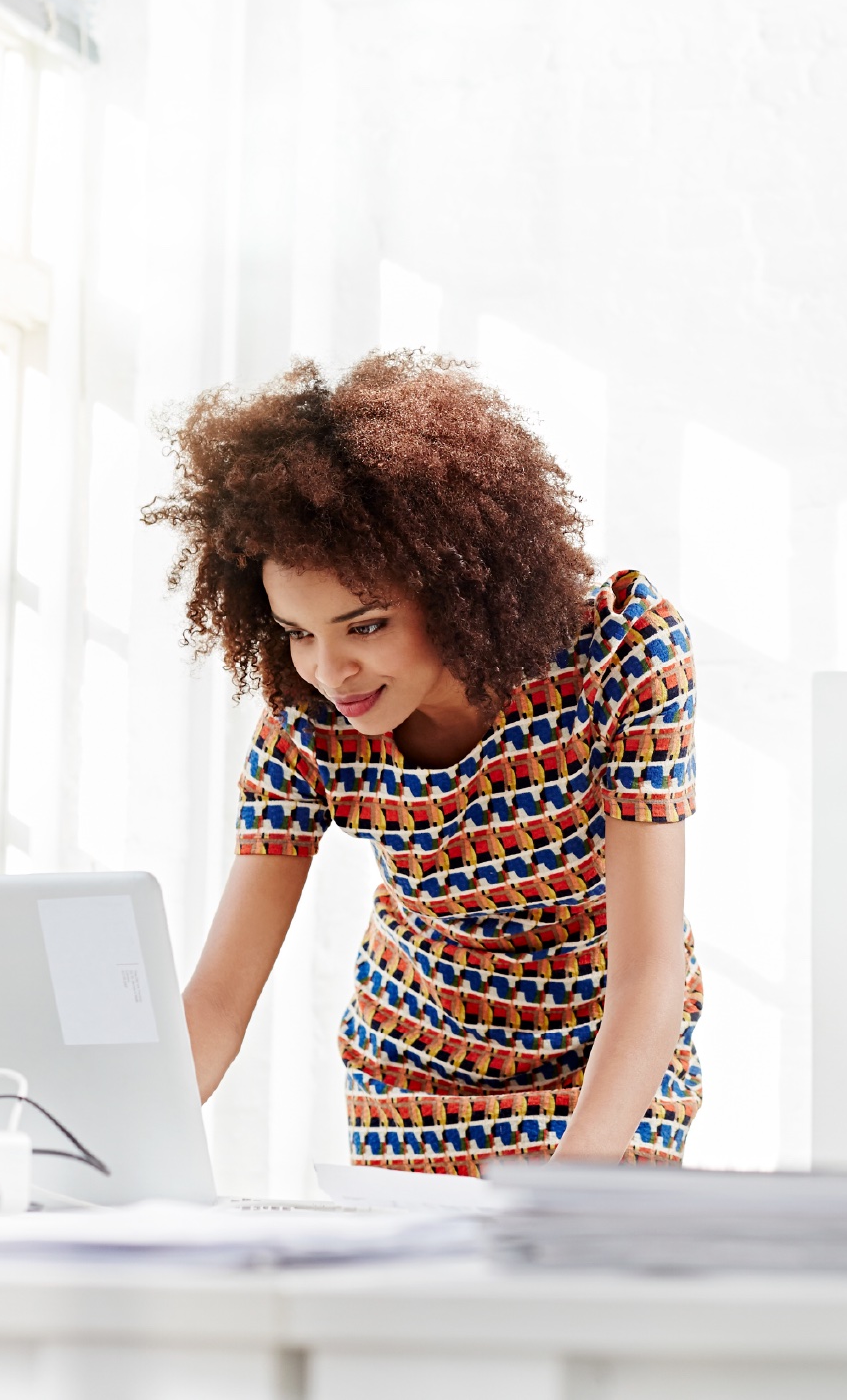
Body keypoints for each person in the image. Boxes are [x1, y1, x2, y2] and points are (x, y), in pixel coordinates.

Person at [145, 350, 701, 1169]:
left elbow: (650, 971)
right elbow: (219, 1001)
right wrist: (97, 1150)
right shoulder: (310, 719)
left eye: (363, 624)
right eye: (300, 633)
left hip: (608, 1056)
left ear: (456, 583)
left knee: (577, 1286)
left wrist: (571, 1188)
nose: (330, 671)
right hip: (414, 1077)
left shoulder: (619, 649)